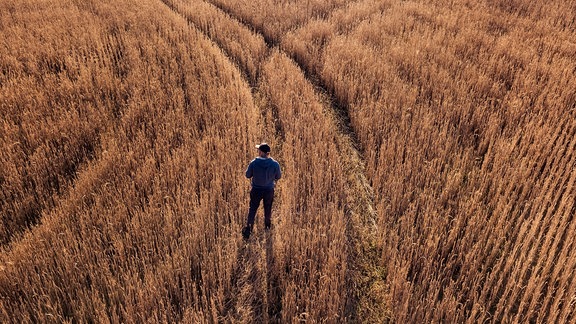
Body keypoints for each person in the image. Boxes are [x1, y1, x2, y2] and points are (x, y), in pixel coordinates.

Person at [242, 143, 281, 239]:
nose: (258, 151)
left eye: (258, 150)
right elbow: (278, 176)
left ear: (261, 152)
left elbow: (247, 175)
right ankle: (267, 226)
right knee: (268, 208)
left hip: (256, 190)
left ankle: (249, 229)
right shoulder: (275, 164)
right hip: (269, 190)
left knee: (253, 209)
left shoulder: (254, 163)